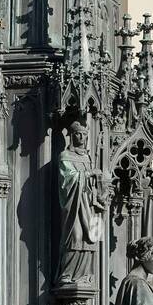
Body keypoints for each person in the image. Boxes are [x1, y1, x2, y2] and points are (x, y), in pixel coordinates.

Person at [55, 118, 104, 286]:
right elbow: (67, 179)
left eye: (84, 134)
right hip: (75, 205)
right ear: (71, 136)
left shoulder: (89, 157)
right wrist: (89, 174)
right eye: (78, 134)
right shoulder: (65, 155)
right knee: (75, 236)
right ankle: (67, 275)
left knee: (91, 238)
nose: (81, 137)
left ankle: (85, 275)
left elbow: (97, 185)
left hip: (90, 205)